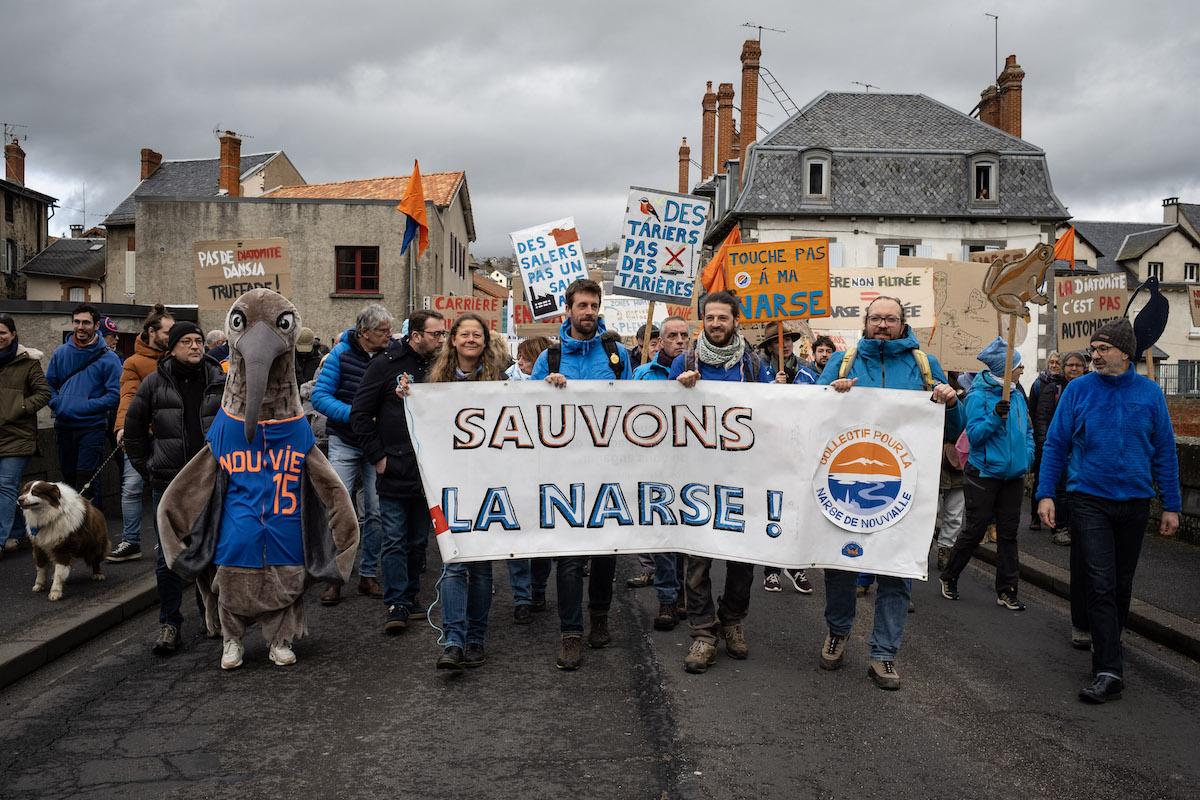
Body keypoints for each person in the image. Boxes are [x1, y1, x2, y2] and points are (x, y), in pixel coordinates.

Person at [817, 296, 963, 690]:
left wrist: (951, 402)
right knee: (841, 565)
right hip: (844, 483)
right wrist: (831, 393)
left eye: (891, 318)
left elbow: (952, 431)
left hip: (905, 489)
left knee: (897, 571)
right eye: (876, 318)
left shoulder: (924, 365)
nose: (883, 324)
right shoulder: (843, 362)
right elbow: (810, 414)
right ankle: (838, 630)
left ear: (903, 324)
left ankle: (884, 654)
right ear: (865, 322)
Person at [1037, 320, 1180, 704]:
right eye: (1092, 349)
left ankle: (1105, 637)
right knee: (1100, 580)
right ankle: (1108, 669)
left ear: (1125, 353)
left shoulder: (1150, 394)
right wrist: (1046, 493)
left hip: (1134, 500)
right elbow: (1056, 444)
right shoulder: (1078, 390)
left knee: (1121, 581)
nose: (1094, 356)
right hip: (1088, 499)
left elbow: (1165, 451)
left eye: (1102, 349)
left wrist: (1172, 505)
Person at [530, 278, 633, 670]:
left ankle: (599, 618)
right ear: (568, 311)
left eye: (594, 306)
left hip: (609, 470)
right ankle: (570, 633)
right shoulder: (550, 359)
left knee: (606, 552)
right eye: (582, 306)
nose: (588, 312)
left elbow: (636, 405)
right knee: (570, 558)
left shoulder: (617, 353)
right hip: (565, 471)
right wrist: (548, 387)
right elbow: (529, 410)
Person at [667, 291, 771, 674]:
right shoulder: (686, 360)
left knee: (743, 559)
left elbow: (770, 416)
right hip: (695, 478)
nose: (715, 324)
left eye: (722, 318)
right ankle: (703, 632)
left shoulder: (754, 364)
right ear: (702, 321)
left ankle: (732, 620)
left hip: (742, 476)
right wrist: (679, 387)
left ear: (734, 321)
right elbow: (662, 412)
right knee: (697, 559)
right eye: (709, 318)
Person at [403, 313, 507, 669]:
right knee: (453, 563)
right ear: (453, 340)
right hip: (452, 487)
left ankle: (476, 638)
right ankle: (453, 640)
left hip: (490, 486)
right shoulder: (435, 383)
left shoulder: (503, 382)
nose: (470, 339)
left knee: (480, 567)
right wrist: (408, 396)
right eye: (464, 334)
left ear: (485, 341)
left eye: (477, 334)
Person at [122, 322, 225, 654]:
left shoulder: (220, 381)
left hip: (212, 478)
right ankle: (169, 623)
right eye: (187, 342)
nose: (195, 347)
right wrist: (149, 466)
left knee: (211, 549)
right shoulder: (154, 383)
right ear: (173, 348)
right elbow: (133, 428)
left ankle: (211, 615)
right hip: (168, 481)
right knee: (168, 556)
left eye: (198, 341)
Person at [350, 310, 444, 632]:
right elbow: (360, 414)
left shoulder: (438, 366)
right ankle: (396, 603)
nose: (441, 340)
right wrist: (378, 456)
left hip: (427, 470)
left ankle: (413, 596)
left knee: (419, 539)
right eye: (436, 334)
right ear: (416, 336)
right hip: (394, 466)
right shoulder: (385, 364)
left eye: (443, 334)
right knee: (393, 538)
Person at [939, 338, 1034, 611]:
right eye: (1017, 364)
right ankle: (950, 575)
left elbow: (1027, 431)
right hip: (984, 474)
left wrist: (1027, 457)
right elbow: (974, 436)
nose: (1022, 368)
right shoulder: (978, 396)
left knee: (1008, 534)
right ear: (1004, 369)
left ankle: (1007, 590)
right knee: (975, 529)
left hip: (1013, 476)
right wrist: (995, 417)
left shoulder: (1017, 394)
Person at [312, 304, 394, 604]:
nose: (389, 335)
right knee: (339, 509)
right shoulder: (339, 356)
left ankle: (368, 574)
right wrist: (355, 415)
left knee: (375, 511)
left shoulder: (391, 355)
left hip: (377, 444)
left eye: (389, 330)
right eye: (383, 331)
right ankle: (335, 576)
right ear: (364, 333)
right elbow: (319, 396)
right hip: (345, 441)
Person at [762, 334, 838, 592]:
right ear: (769, 346)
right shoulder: (759, 367)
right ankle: (771, 568)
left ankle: (796, 565)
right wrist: (774, 387)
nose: (782, 345)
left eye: (785, 341)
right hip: (773, 449)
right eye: (776, 342)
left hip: (804, 449)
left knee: (801, 508)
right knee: (774, 508)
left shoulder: (804, 371)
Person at [630, 316, 691, 630]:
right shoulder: (643, 374)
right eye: (672, 336)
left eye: (684, 335)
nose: (679, 340)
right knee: (666, 532)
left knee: (690, 535)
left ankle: (686, 594)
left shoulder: (701, 374)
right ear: (660, 341)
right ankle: (668, 597)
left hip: (693, 465)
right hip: (656, 465)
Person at [108, 304, 174, 562]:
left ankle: (164, 542)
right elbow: (128, 396)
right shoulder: (133, 363)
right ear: (152, 331)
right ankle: (131, 541)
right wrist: (123, 427)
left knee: (165, 491)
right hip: (142, 433)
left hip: (170, 434)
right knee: (132, 488)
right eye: (168, 331)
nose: (172, 335)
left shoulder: (175, 358)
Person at [45, 304, 122, 512]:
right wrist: (57, 403)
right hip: (63, 425)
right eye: (77, 321)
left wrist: (85, 406)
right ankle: (71, 529)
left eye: (86, 322)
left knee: (86, 479)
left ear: (96, 325)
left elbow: (115, 395)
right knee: (68, 479)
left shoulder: (109, 358)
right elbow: (48, 385)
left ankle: (90, 530)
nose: (81, 326)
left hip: (92, 427)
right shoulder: (61, 353)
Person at [0, 314, 50, 556]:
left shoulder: (28, 362)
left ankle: (0, 540)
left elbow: (44, 393)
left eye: (2, 333)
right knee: (7, 489)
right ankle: (18, 533)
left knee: (6, 485)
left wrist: (18, 407)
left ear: (13, 335)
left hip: (18, 435)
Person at [1033, 353, 1075, 545]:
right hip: (1054, 445)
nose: (1055, 365)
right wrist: (1042, 443)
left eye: (1058, 362)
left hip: (1074, 450)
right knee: (1055, 487)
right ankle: (1054, 524)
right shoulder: (1047, 386)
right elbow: (1039, 416)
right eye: (1053, 362)